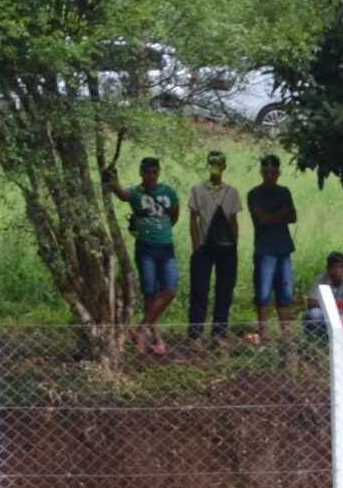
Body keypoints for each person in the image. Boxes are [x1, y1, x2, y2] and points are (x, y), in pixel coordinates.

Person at [104, 156, 179, 353]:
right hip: (145, 248)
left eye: (154, 172)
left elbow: (174, 215)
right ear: (141, 173)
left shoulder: (168, 192)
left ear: (159, 172)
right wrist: (112, 177)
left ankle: (140, 328)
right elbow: (121, 193)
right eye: (147, 172)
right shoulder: (136, 193)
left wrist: (161, 229)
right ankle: (155, 338)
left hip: (166, 247)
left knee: (170, 290)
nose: (151, 176)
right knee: (150, 293)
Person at [186, 150, 243, 343]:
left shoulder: (232, 192)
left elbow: (234, 221)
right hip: (203, 246)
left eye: (218, 164)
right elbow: (193, 219)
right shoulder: (198, 190)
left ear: (224, 166)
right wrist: (196, 246)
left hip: (226, 249)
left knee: (224, 291)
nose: (215, 167)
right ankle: (195, 335)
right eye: (212, 163)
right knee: (199, 291)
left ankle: (219, 333)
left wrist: (234, 246)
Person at [246, 155, 299, 337]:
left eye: (274, 172)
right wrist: (280, 213)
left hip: (283, 248)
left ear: (278, 173)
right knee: (263, 292)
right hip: (265, 249)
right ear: (262, 172)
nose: (270, 176)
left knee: (285, 291)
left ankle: (286, 331)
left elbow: (293, 216)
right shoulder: (254, 194)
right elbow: (261, 219)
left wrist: (270, 216)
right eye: (267, 172)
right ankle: (264, 331)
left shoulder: (284, 192)